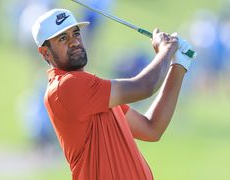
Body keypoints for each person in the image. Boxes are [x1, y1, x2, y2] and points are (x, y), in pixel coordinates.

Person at [32, 9, 194, 180]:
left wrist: (178, 65)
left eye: (76, 33)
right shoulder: (66, 86)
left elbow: (151, 128)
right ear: (45, 52)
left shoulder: (96, 93)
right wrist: (166, 50)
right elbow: (145, 86)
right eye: (63, 38)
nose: (74, 42)